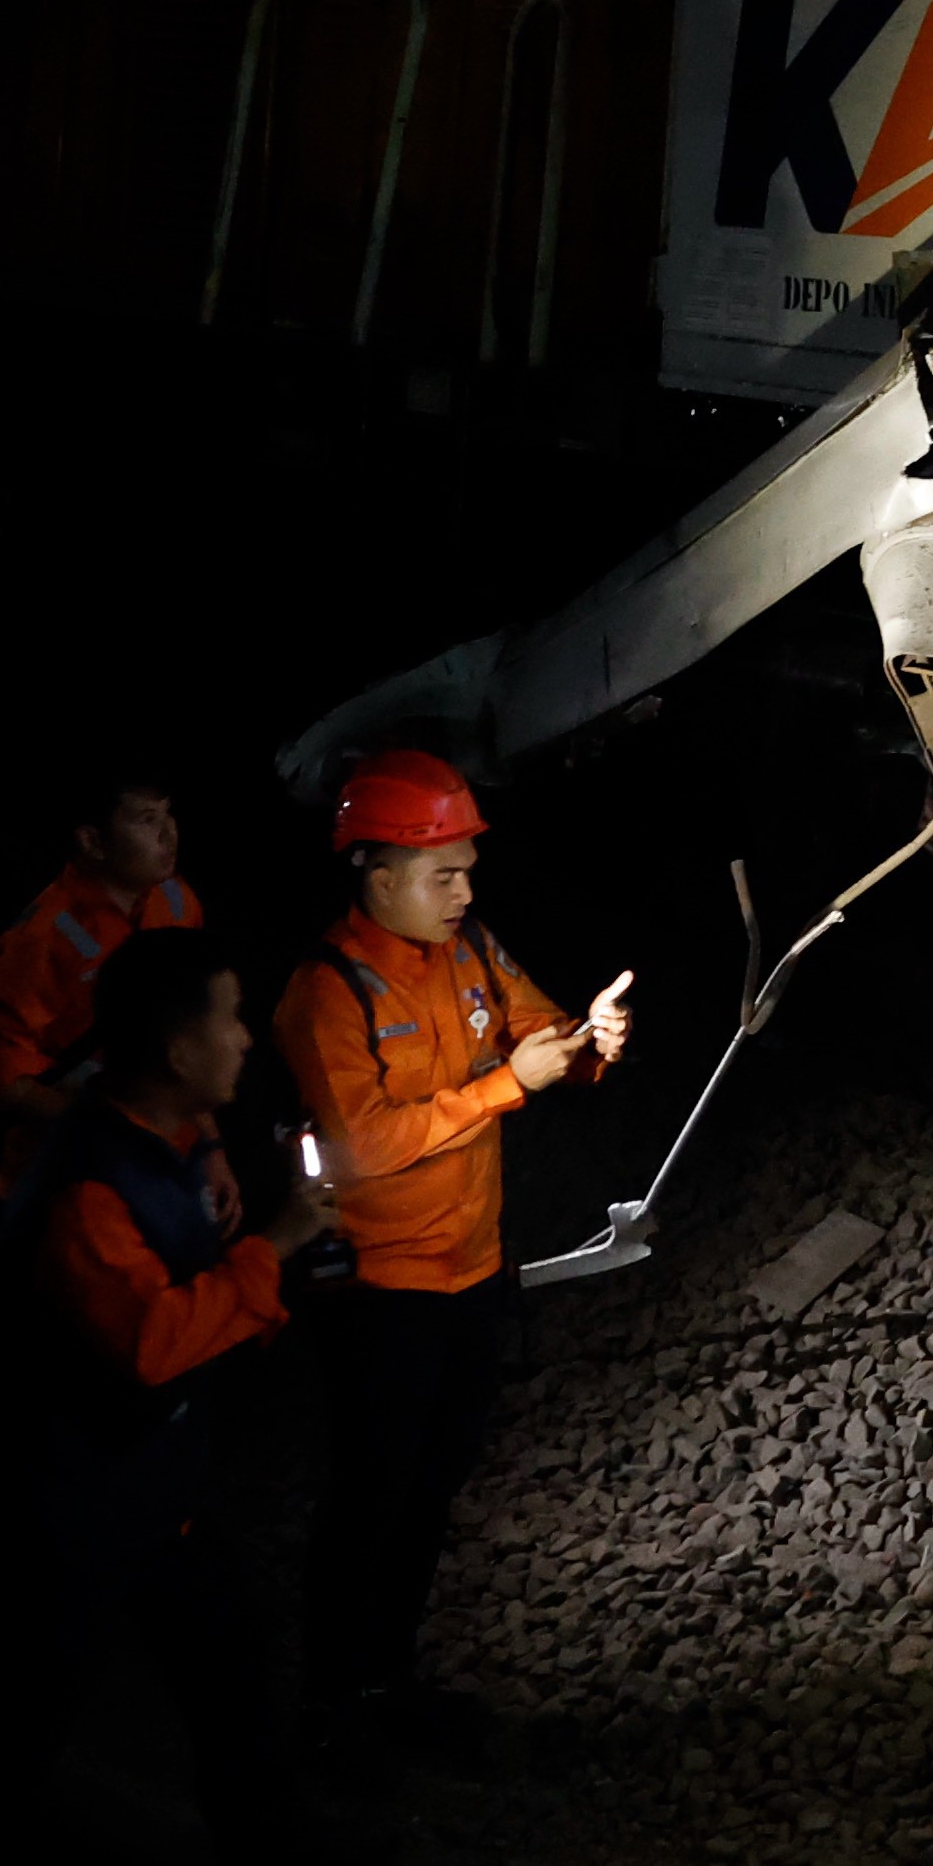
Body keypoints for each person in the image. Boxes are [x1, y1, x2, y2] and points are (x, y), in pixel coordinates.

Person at [0, 927, 358, 1866]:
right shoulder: (88, 1190)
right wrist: (278, 1245)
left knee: (228, 1657)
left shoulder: (157, 1144)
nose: (247, 1039)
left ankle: (275, 1851)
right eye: (230, 1019)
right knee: (26, 1709)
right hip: (66, 1506)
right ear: (179, 1050)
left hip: (141, 1491)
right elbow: (154, 1342)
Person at [277, 749, 632, 1761]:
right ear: (378, 877)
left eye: (467, 868)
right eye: (445, 873)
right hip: (382, 1296)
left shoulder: (470, 949)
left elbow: (537, 1033)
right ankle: (329, 1705)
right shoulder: (329, 992)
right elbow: (362, 1145)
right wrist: (506, 1086)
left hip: (472, 1275)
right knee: (369, 1496)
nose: (466, 889)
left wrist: (590, 1039)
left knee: (431, 1488)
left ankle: (388, 1680)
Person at [0, 776, 207, 1186]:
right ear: (92, 841)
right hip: (67, 1178)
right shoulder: (42, 938)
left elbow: (191, 1037)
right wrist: (109, 1128)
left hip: (163, 1164)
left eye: (168, 813)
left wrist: (210, 1149)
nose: (169, 832)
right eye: (147, 820)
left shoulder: (177, 903)